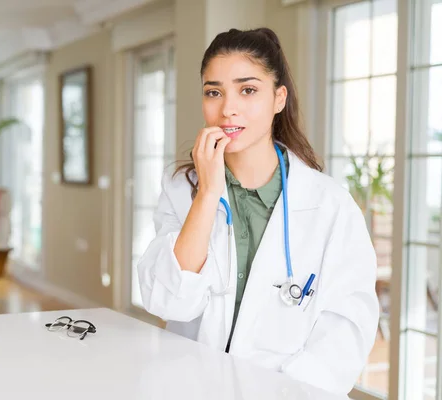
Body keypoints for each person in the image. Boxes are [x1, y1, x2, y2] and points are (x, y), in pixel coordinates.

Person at [136, 27, 378, 395]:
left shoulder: (331, 206)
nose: (227, 108)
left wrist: (283, 389)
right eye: (213, 92)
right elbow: (170, 303)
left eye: (247, 90)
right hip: (192, 387)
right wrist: (208, 194)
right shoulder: (181, 190)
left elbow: (347, 329)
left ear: (278, 98)